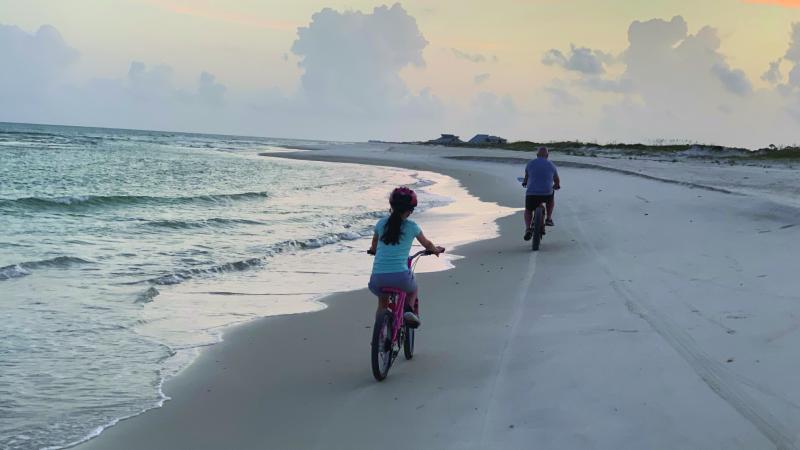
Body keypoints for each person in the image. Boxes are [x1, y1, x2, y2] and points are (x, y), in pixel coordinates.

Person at [367, 187, 443, 328]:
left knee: (382, 304)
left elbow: (374, 245)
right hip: (401, 277)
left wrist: (372, 251)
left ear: (391, 206)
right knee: (413, 289)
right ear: (410, 211)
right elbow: (427, 244)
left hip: (378, 278)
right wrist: (435, 250)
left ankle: (380, 336)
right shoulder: (412, 227)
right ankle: (408, 309)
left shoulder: (381, 223)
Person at [522, 147, 561, 240]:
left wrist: (524, 182)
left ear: (537, 155)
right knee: (551, 197)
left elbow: (526, 177)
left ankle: (528, 229)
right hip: (546, 193)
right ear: (547, 156)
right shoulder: (551, 165)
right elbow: (556, 179)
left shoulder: (530, 163)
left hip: (532, 193)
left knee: (528, 210)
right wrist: (557, 185)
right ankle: (548, 219)